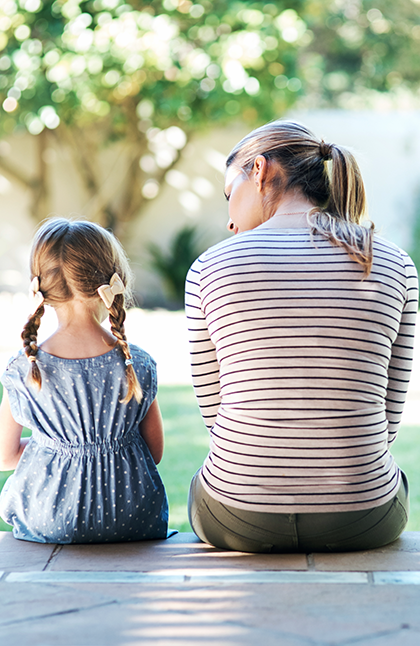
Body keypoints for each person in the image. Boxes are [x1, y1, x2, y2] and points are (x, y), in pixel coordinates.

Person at [185, 120, 419, 553]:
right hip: (363, 517)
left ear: (258, 170)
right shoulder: (394, 263)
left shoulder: (209, 268)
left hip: (238, 516)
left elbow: (215, 415)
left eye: (228, 194)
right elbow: (387, 418)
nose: (229, 219)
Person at [0, 218, 169, 544]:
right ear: (112, 279)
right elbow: (155, 452)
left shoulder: (25, 367)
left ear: (42, 289)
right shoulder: (138, 363)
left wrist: (55, 448)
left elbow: (5, 456)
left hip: (49, 519)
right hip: (132, 518)